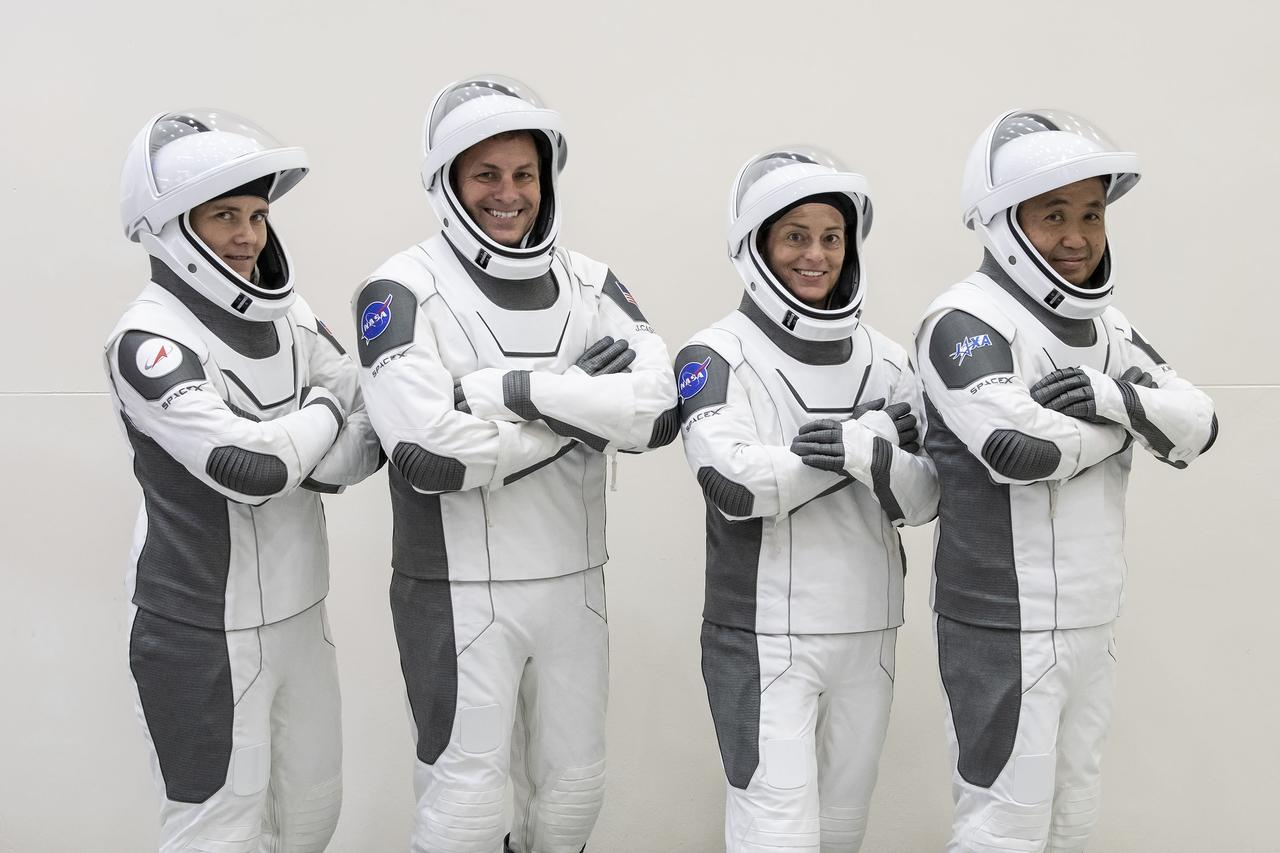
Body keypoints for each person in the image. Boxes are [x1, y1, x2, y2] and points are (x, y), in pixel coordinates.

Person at [353, 75, 677, 853]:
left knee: (571, 801)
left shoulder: (592, 282)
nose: (509, 193)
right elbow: (431, 453)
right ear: (448, 181)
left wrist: (512, 392)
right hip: (457, 593)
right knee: (464, 811)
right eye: (487, 174)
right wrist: (581, 409)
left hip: (576, 585)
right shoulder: (399, 289)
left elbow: (659, 411)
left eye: (524, 173)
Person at [914, 108, 1219, 852]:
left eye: (1091, 214)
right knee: (1004, 826)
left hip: (1091, 617)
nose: (1078, 236)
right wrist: (1132, 424)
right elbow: (1018, 447)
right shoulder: (963, 320)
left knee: (1073, 822)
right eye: (1054, 215)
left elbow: (1200, 425)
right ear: (1002, 221)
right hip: (1001, 624)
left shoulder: (1109, 327)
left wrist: (1110, 399)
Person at [106, 110, 382, 851]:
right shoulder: (148, 338)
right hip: (199, 629)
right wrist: (324, 412)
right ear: (172, 227)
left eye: (257, 215)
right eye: (224, 215)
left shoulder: (290, 313)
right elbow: (251, 468)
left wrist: (301, 445)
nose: (248, 236)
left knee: (310, 821)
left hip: (301, 613)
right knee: (217, 834)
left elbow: (373, 426)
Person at [674, 148, 939, 852]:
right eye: (795, 236)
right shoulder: (713, 354)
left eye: (831, 237)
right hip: (763, 637)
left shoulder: (890, 360)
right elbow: (738, 486)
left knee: (842, 833)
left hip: (869, 629)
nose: (816, 256)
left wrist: (858, 451)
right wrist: (871, 440)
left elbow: (925, 499)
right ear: (755, 243)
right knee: (776, 835)